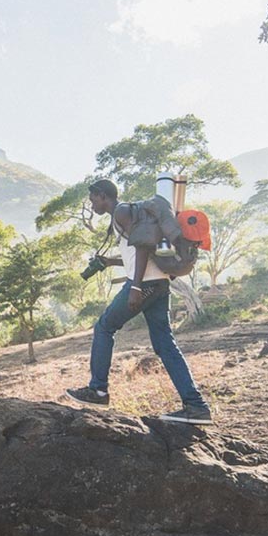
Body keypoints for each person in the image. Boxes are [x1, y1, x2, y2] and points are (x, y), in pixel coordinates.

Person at [65, 179, 213, 424]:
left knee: (104, 327)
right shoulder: (125, 215)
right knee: (165, 344)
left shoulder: (121, 211)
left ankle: (98, 390)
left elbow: (144, 247)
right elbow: (139, 252)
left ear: (103, 196)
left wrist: (134, 286)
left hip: (143, 284)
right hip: (159, 283)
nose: (92, 204)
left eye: (93, 199)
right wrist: (110, 262)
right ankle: (196, 406)